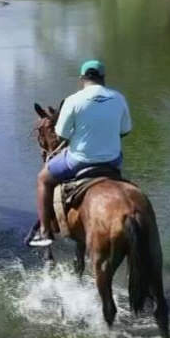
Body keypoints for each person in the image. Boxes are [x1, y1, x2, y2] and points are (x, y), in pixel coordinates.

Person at [32, 60, 132, 245]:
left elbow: (61, 135)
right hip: (112, 160)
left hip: (79, 160)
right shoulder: (118, 98)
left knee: (43, 180)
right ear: (103, 78)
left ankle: (45, 232)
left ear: (82, 79)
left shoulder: (73, 100)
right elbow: (125, 130)